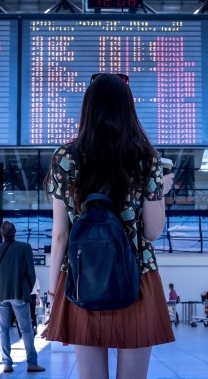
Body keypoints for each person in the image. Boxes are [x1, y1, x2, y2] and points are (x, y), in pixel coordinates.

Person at [42, 72, 175, 379]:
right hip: (137, 277)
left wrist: (52, 293)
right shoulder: (146, 157)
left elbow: (60, 234)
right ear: (128, 108)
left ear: (88, 107)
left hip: (82, 276)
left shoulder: (66, 157)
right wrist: (159, 193)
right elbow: (153, 232)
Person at [0, 221, 44, 373]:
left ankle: (7, 364)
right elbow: (31, 273)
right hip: (19, 293)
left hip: (1, 295)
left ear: (1, 233)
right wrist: (27, 289)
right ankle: (32, 363)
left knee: (3, 329)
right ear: (15, 232)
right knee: (26, 329)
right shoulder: (25, 248)